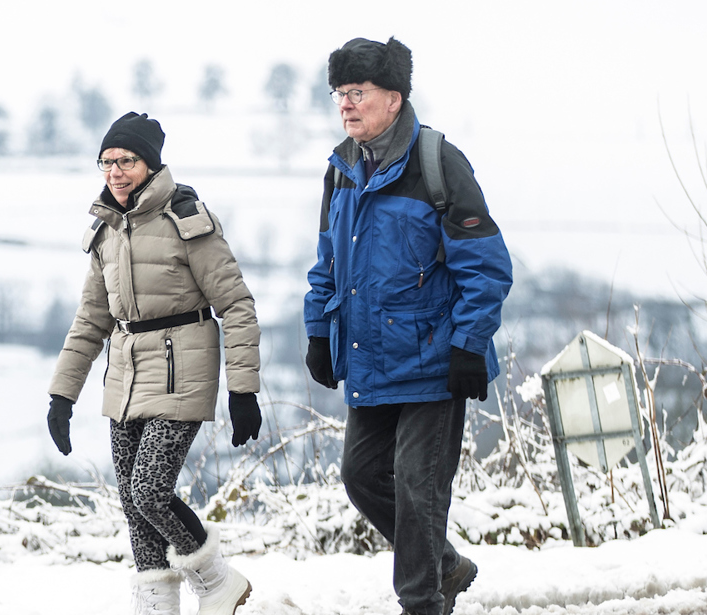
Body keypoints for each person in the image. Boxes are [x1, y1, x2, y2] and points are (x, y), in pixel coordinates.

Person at [303, 37, 513, 615]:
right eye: (339, 93)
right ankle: (444, 565)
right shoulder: (341, 169)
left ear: (393, 98)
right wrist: (319, 331)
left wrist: (469, 345)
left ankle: (422, 601)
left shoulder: (437, 163)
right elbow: (327, 262)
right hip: (372, 359)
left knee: (418, 487)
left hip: (434, 360)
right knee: (361, 476)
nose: (346, 104)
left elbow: (487, 265)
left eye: (358, 93)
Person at [46, 111, 264, 615]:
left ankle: (215, 579)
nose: (115, 172)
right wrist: (62, 395)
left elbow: (236, 304)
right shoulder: (104, 233)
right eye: (106, 163)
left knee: (149, 491)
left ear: (150, 163)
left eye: (126, 160)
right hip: (123, 376)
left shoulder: (186, 220)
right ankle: (155, 604)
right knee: (132, 503)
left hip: (180, 371)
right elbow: (89, 321)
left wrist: (242, 388)